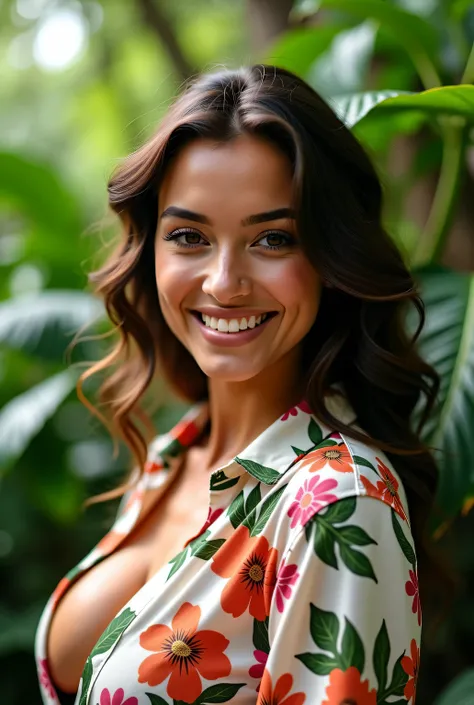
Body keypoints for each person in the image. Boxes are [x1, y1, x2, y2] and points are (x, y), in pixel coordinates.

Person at [35, 65, 438, 705]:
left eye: (273, 239)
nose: (224, 283)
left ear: (332, 260)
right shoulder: (176, 455)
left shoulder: (338, 503)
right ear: (153, 251)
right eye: (190, 236)